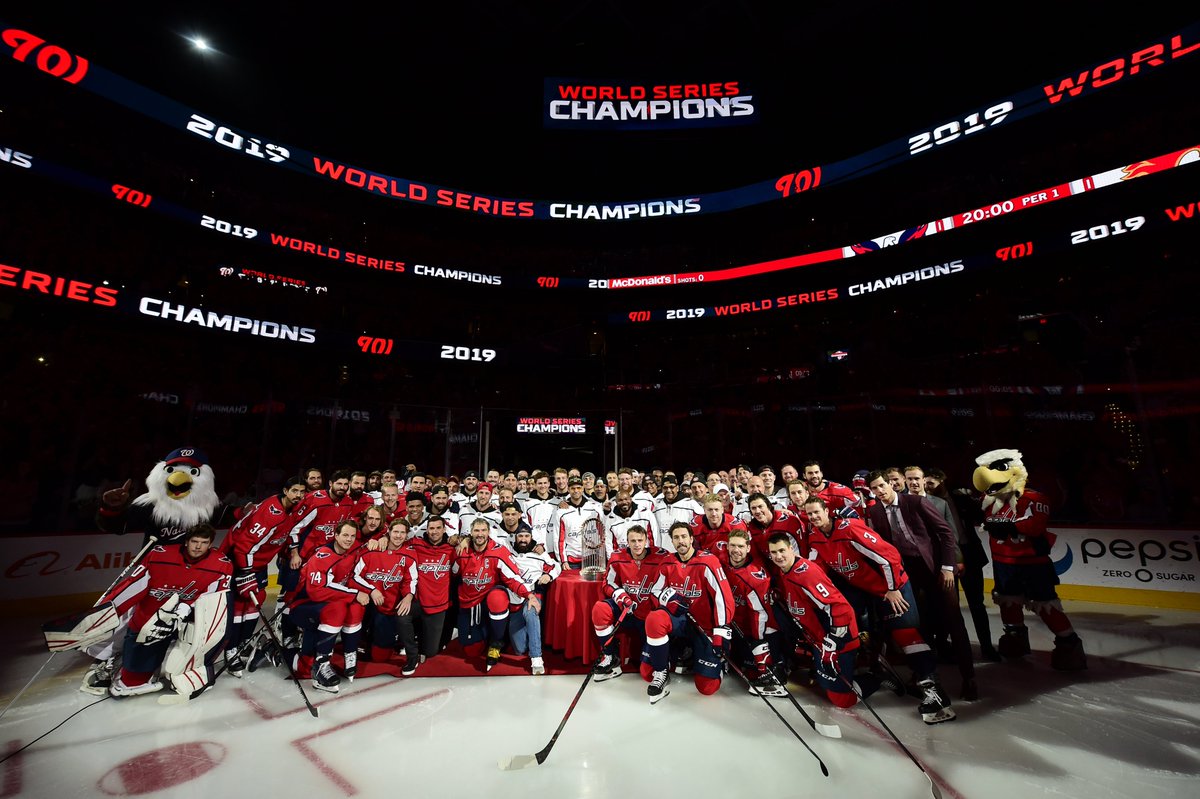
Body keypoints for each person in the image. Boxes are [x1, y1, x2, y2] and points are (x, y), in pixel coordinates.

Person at [803, 496, 954, 723]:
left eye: (817, 512)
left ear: (827, 511)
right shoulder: (815, 536)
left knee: (906, 634)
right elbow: (816, 568)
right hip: (866, 588)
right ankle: (876, 668)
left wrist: (892, 589)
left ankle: (934, 690)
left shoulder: (850, 528)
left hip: (892, 586)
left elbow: (889, 556)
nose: (814, 517)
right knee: (856, 626)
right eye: (810, 514)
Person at [971, 449, 1086, 670]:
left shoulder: (1035, 498)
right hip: (1003, 563)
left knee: (1046, 605)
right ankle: (1015, 638)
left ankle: (1068, 643)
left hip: (1032, 564)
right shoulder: (988, 499)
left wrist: (1010, 526)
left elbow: (1035, 526)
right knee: (1008, 600)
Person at [866, 471, 977, 700]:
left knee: (954, 621)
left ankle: (969, 678)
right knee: (920, 624)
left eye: (882, 486)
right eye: (875, 489)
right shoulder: (875, 511)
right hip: (908, 575)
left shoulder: (915, 501)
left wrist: (948, 567)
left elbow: (946, 533)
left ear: (892, 484)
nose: (880, 492)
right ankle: (925, 676)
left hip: (936, 569)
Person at [766, 532, 893, 709]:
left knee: (842, 700)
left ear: (791, 549)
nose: (778, 556)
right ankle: (861, 661)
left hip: (837, 636)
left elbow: (839, 608)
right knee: (822, 679)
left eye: (782, 551)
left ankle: (878, 675)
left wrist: (833, 642)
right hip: (820, 638)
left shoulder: (806, 573)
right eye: (774, 552)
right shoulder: (784, 571)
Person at [105, 523, 233, 697]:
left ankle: (191, 672)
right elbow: (135, 585)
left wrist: (187, 606)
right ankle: (130, 677)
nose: (198, 546)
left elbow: (213, 598)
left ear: (210, 544)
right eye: (194, 541)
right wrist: (108, 609)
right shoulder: (160, 554)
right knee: (144, 631)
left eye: (204, 542)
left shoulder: (221, 564)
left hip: (190, 613)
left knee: (201, 637)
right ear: (186, 542)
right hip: (154, 608)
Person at [221, 475, 306, 677]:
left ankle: (243, 643)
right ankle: (230, 650)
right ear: (286, 491)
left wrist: (291, 551)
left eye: (302, 492)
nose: (299, 495)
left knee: (254, 602)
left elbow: (286, 534)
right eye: (295, 491)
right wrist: (245, 573)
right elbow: (244, 546)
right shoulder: (271, 513)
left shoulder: (291, 510)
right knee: (239, 606)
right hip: (237, 561)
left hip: (256, 563)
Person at [642, 522, 735, 703]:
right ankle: (661, 672)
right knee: (654, 623)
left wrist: (720, 631)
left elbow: (723, 598)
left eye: (684, 536)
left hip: (703, 626)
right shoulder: (668, 561)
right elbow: (654, 590)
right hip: (679, 623)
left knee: (707, 687)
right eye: (676, 538)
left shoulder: (708, 561)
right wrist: (668, 598)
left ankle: (716, 662)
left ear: (692, 539)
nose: (680, 541)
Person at [926, 467, 999, 662]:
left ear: (943, 480)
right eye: (926, 483)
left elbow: (980, 515)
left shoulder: (960, 497)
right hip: (946, 559)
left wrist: (971, 499)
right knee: (950, 607)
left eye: (932, 483)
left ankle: (986, 646)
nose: (928, 486)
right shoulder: (927, 502)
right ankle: (950, 646)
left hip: (970, 556)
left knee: (977, 605)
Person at [288, 520, 368, 692]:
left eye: (352, 536)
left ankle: (349, 652)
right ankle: (321, 665)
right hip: (303, 606)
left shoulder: (352, 550)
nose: (349, 539)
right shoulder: (322, 556)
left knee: (355, 608)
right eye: (345, 535)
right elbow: (317, 592)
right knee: (338, 609)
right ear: (336, 535)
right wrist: (353, 594)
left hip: (325, 604)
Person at [453, 518, 539, 671]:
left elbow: (513, 578)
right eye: (476, 531)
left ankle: (496, 641)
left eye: (483, 530)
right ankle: (484, 633)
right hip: (469, 602)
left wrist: (529, 595)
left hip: (490, 598)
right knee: (471, 651)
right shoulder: (462, 551)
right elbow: (452, 573)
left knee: (497, 598)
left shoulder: (498, 551)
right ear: (471, 533)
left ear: (489, 532)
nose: (480, 534)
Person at [590, 524, 667, 680]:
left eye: (640, 540)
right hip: (626, 609)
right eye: (633, 541)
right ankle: (611, 657)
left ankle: (665, 661)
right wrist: (622, 597)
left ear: (647, 540)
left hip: (648, 614)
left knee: (647, 674)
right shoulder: (618, 556)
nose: (637, 544)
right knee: (600, 609)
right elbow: (607, 583)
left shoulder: (661, 557)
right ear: (627, 541)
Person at [720, 527, 786, 695]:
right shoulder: (721, 561)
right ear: (727, 546)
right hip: (737, 623)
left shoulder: (754, 578)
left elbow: (760, 615)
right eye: (733, 546)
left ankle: (775, 669)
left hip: (760, 628)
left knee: (754, 668)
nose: (736, 550)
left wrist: (758, 643)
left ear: (748, 548)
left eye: (741, 546)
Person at [352, 518, 418, 672]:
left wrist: (408, 597)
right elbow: (354, 576)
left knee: (380, 656)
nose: (398, 536)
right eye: (396, 532)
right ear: (389, 532)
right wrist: (371, 590)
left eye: (402, 533)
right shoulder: (372, 550)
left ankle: (384, 640)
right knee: (355, 606)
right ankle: (358, 641)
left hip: (388, 607)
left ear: (407, 535)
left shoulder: (409, 555)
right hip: (368, 603)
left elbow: (411, 580)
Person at [397, 515, 456, 670]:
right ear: (427, 529)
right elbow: (396, 541)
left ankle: (422, 639)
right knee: (402, 615)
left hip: (438, 605)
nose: (434, 532)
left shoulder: (451, 549)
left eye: (438, 528)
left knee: (430, 652)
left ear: (444, 529)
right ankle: (412, 652)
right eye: (431, 528)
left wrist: (464, 539)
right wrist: (381, 539)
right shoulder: (416, 544)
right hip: (417, 601)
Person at [505, 525, 561, 675]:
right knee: (520, 649)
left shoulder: (539, 555)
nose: (523, 540)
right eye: (520, 536)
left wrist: (549, 576)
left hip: (533, 595)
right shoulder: (509, 553)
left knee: (531, 612)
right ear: (515, 538)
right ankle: (531, 634)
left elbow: (557, 567)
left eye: (526, 536)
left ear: (531, 537)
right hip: (514, 598)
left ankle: (537, 658)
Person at [550, 475, 605, 569]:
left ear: (583, 488)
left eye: (579, 488)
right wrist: (563, 561)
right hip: (571, 561)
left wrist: (601, 556)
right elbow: (559, 539)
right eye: (573, 488)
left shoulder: (595, 509)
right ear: (568, 489)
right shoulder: (561, 512)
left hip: (592, 558)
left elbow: (602, 535)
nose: (576, 491)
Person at [605, 488, 660, 553]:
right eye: (620, 500)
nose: (624, 502)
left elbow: (654, 537)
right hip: (622, 559)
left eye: (626, 499)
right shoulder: (611, 519)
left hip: (645, 557)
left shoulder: (645, 514)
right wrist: (613, 559)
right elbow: (609, 544)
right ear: (616, 502)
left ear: (631, 499)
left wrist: (653, 556)